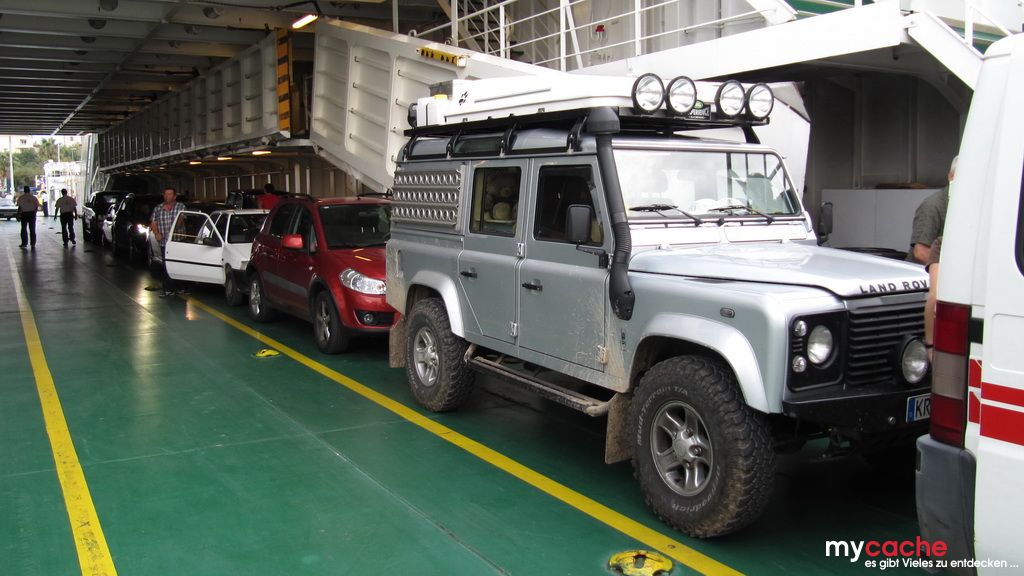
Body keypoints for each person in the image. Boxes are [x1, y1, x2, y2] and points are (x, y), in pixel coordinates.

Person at [908, 156, 956, 264]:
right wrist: (950, 270)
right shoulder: (933, 205)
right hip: (924, 272)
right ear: (950, 176)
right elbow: (920, 252)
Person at [149, 187, 186, 297]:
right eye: (165, 194)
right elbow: (153, 222)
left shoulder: (180, 206)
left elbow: (181, 219)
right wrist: (156, 233)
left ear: (174, 196)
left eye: (170, 194)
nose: (167, 196)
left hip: (178, 241)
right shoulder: (158, 208)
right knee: (167, 265)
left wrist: (174, 229)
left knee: (179, 264)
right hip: (164, 242)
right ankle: (168, 289)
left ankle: (181, 287)